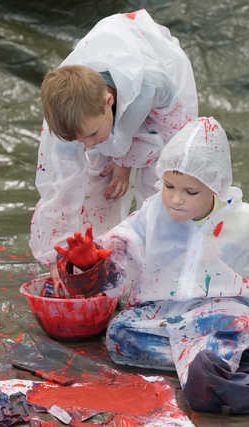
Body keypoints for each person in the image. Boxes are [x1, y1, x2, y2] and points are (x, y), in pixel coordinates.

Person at [56, 117, 249, 413]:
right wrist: (92, 261)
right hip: (168, 313)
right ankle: (221, 367)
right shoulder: (153, 213)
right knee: (120, 335)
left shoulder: (248, 222)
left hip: (223, 311)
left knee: (231, 323)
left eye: (191, 191)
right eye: (169, 186)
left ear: (216, 187)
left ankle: (220, 367)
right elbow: (123, 246)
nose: (176, 199)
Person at [29, 9, 198, 282]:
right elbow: (59, 188)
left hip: (156, 87)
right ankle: (103, 256)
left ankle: (167, 262)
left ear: (108, 101)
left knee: (163, 182)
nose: (86, 145)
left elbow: (174, 138)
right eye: (77, 140)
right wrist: (57, 254)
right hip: (109, 101)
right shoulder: (67, 123)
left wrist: (128, 161)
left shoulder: (152, 83)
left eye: (91, 135)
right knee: (97, 184)